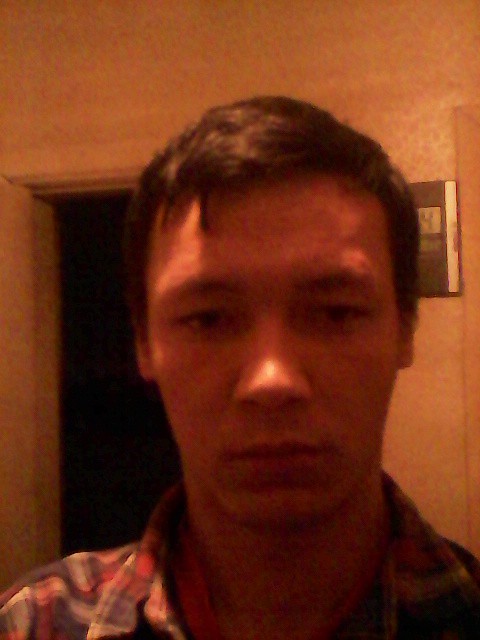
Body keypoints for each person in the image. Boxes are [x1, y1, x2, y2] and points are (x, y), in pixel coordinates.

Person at [1, 96, 479, 639]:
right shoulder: (31, 623)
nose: (272, 381)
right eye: (208, 319)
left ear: (406, 328)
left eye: (336, 312)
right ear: (144, 343)